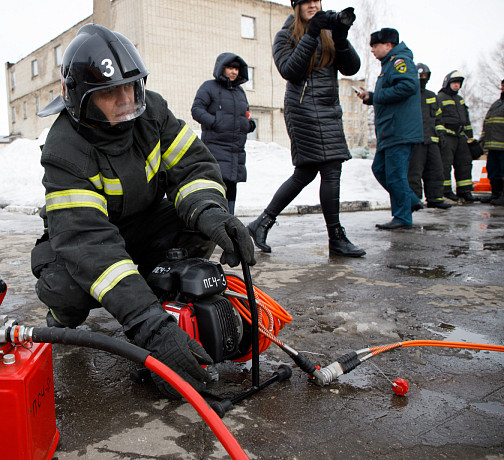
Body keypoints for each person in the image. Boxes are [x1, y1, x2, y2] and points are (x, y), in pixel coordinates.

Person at [31, 24, 255, 399]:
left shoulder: (153, 113)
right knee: (67, 288)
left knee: (197, 226)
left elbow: (193, 167)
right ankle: (67, 316)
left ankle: (161, 297)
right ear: (81, 99)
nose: (125, 99)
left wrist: (212, 212)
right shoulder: (64, 150)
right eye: (109, 92)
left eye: (131, 87)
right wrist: (147, 325)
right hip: (83, 242)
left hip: (144, 225)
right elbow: (90, 243)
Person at [247, 0, 365, 257]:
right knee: (331, 168)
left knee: (306, 173)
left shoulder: (329, 33)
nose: (313, 5)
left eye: (316, 0)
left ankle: (261, 223)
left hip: (329, 109)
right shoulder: (286, 35)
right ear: (296, 6)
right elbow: (290, 70)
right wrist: (311, 33)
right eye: (306, 1)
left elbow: (351, 68)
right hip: (303, 111)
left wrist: (341, 38)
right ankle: (336, 238)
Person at [356, 28, 422, 230]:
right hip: (389, 130)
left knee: (395, 174)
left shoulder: (400, 61)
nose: (372, 50)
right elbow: (391, 93)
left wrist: (375, 97)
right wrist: (371, 98)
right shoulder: (389, 65)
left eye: (375, 46)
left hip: (399, 129)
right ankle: (409, 200)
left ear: (388, 45)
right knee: (379, 169)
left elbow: (407, 86)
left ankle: (402, 217)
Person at [191, 52, 256, 215]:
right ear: (222, 68)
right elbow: (197, 110)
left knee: (232, 186)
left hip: (236, 150)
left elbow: (245, 114)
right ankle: (212, 222)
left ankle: (229, 221)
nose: (234, 72)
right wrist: (215, 122)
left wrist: (248, 125)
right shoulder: (209, 87)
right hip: (215, 147)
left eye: (236, 69)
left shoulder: (240, 92)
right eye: (230, 68)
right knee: (216, 185)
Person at [408, 63, 451, 210]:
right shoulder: (409, 95)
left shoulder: (432, 96)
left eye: (424, 76)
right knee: (414, 173)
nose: (421, 79)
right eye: (419, 76)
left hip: (432, 141)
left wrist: (441, 133)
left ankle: (435, 199)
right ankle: (415, 201)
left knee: (436, 170)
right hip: (416, 140)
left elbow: (438, 118)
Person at [437, 70, 477, 202]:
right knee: (445, 164)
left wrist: (470, 138)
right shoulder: (440, 98)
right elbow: (437, 119)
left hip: (461, 136)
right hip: (448, 135)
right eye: (454, 82)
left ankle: (465, 191)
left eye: (459, 83)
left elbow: (466, 119)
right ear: (447, 83)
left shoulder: (460, 100)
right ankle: (446, 191)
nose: (457, 85)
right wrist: (441, 135)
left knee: (465, 163)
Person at [481, 78, 504, 206]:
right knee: (493, 170)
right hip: (493, 145)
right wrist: (482, 140)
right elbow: (487, 122)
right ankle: (496, 194)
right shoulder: (496, 104)